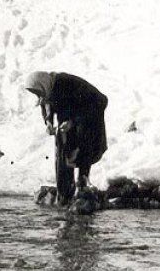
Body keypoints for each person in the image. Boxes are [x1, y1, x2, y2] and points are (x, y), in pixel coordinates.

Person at [24, 71, 108, 205]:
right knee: (64, 147)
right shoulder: (48, 87)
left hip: (92, 110)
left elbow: (90, 104)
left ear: (43, 84)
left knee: (83, 145)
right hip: (72, 117)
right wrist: (49, 123)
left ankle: (82, 183)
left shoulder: (65, 84)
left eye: (38, 92)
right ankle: (65, 192)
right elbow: (46, 105)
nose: (38, 95)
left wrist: (72, 121)